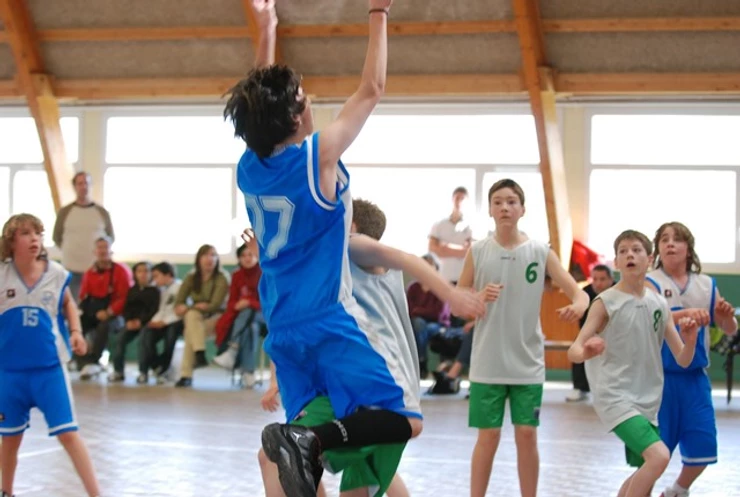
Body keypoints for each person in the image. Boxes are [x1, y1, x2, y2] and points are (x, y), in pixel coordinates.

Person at [223, 1, 439, 495]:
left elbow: (260, 95)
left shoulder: (249, 166)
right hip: (326, 316)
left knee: (305, 458)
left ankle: (308, 443)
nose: (310, 96)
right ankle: (311, 439)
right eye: (303, 95)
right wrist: (379, 12)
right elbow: (372, 89)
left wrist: (268, 28)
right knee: (401, 419)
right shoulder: (317, 157)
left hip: (282, 324)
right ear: (297, 115)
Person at [257, 198, 485, 496]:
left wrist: (451, 294)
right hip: (367, 382)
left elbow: (405, 258)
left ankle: (307, 438)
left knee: (277, 456)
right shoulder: (336, 265)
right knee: (355, 476)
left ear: (352, 226)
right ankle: (307, 440)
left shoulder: (352, 246)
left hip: (378, 381)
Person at [457, 178, 590, 497]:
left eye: (512, 201)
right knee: (487, 437)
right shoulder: (478, 251)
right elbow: (458, 302)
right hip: (487, 363)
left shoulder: (540, 251)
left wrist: (578, 304)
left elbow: (578, 293)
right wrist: (476, 299)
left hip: (527, 363)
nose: (505, 206)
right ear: (490, 209)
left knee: (527, 434)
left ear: (523, 209)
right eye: (498, 201)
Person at [569, 229, 699, 497]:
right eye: (623, 251)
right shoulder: (605, 302)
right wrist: (586, 351)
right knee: (660, 456)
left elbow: (683, 359)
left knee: (645, 477)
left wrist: (692, 338)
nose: (630, 254)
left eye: (637, 250)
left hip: (648, 400)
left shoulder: (658, 304)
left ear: (649, 259)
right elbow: (574, 350)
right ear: (616, 262)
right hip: (615, 397)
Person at [0, 214, 101, 497]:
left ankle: (96, 494)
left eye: (37, 233)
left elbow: (68, 303)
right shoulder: (2, 274)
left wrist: (77, 332)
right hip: (9, 372)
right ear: (10, 242)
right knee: (9, 439)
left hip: (48, 370)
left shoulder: (55, 273)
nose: (33, 239)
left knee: (68, 433)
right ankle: (6, 491)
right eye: (25, 233)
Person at [645, 222, 738, 497]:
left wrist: (725, 315)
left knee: (703, 444)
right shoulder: (652, 282)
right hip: (660, 377)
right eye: (664, 239)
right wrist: (685, 316)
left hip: (695, 377)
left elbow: (731, 328)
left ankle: (677, 490)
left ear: (689, 248)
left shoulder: (706, 284)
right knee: (654, 454)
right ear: (659, 248)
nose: (670, 244)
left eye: (677, 239)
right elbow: (649, 318)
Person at [52, 172, 115, 302]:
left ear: (90, 185)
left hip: (96, 271)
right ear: (74, 186)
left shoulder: (101, 212)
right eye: (80, 183)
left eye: (86, 183)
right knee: (70, 306)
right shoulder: (65, 212)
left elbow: (110, 237)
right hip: (70, 269)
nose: (83, 186)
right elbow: (56, 236)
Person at [212, 241, 264, 388]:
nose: (247, 258)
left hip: (265, 316)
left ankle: (232, 349)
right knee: (250, 328)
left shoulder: (264, 273)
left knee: (248, 311)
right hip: (247, 320)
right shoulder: (236, 275)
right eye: (243, 255)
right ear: (239, 258)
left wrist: (248, 303)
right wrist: (237, 305)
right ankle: (248, 372)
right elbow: (232, 302)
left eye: (251, 255)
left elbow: (269, 303)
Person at [566, 264, 614, 402]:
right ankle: (579, 387)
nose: (598, 283)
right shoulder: (585, 293)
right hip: (590, 333)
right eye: (595, 279)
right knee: (579, 345)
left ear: (611, 280)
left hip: (614, 334)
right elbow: (582, 323)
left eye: (602, 279)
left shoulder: (619, 292)